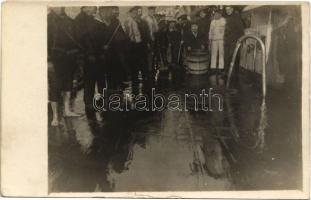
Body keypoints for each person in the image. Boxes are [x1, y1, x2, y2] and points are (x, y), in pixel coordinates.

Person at [48, 7, 81, 126]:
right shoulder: (47, 20)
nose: (60, 7)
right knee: (55, 87)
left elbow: (75, 40)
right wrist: (48, 60)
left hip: (68, 58)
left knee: (68, 85)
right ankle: (55, 117)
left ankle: (67, 111)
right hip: (53, 59)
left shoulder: (70, 21)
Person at [75, 6, 107, 120]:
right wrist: (89, 54)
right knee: (89, 81)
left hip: (97, 55)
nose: (95, 9)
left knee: (100, 79)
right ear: (84, 8)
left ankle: (101, 100)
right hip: (89, 57)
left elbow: (100, 35)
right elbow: (81, 40)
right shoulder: (79, 21)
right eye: (93, 7)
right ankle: (89, 104)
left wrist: (102, 50)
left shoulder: (93, 20)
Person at [224, 6, 244, 73]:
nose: (227, 11)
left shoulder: (236, 17)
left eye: (229, 9)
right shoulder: (227, 18)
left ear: (232, 9)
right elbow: (226, 30)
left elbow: (241, 30)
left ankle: (234, 73)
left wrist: (240, 40)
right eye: (226, 9)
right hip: (227, 41)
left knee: (233, 57)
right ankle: (226, 73)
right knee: (226, 58)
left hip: (234, 41)